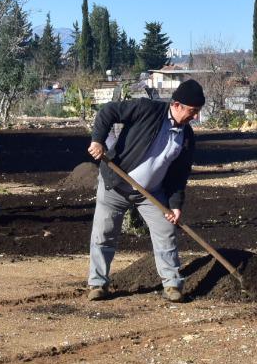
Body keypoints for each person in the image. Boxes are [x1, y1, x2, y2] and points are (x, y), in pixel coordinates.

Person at [84, 78, 203, 303]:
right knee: (104, 234)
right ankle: (98, 284)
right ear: (176, 105)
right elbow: (108, 111)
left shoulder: (186, 136)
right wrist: (98, 141)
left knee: (166, 231)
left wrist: (175, 205)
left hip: (151, 192)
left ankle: (172, 285)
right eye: (192, 111)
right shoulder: (147, 109)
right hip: (115, 185)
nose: (195, 117)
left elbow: (179, 174)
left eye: (198, 112)